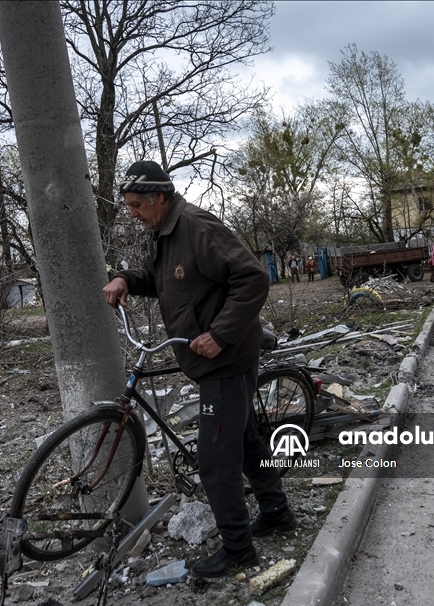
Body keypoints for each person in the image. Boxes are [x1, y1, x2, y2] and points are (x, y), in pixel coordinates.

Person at [102, 161, 296, 578]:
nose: (133, 214)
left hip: (224, 359)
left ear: (159, 197)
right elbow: (167, 282)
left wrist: (220, 335)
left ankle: (238, 549)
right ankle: (276, 511)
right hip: (223, 357)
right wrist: (126, 280)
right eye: (129, 207)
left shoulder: (195, 226)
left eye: (137, 205)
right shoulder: (166, 233)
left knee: (214, 461)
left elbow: (253, 279)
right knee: (243, 440)